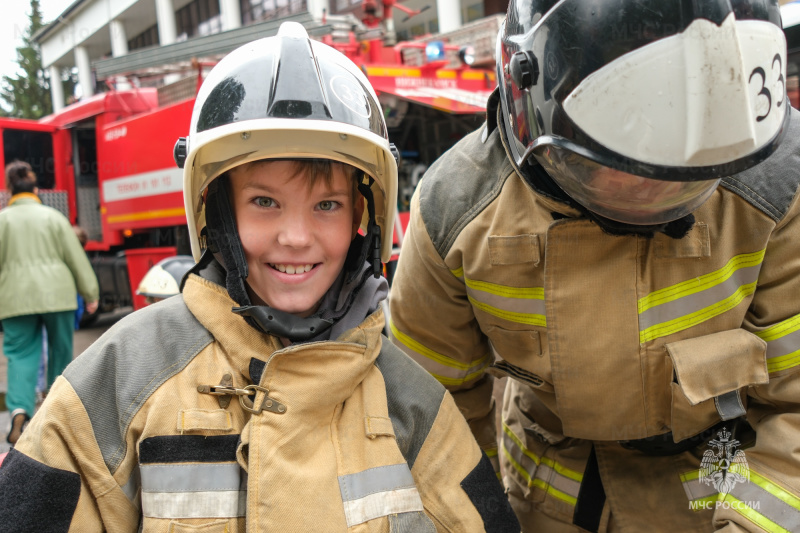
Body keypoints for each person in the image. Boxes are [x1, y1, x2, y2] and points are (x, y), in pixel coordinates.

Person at [0, 23, 520, 532]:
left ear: (363, 221)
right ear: (218, 215)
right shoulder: (125, 377)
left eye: (327, 205)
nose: (295, 236)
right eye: (264, 202)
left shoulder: (411, 400)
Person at [388, 1, 800, 531]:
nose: (655, 190)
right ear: (530, 96)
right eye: (622, 160)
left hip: (714, 488)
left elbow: (794, 408)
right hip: (544, 498)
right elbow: (434, 419)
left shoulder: (777, 188)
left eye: (687, 174)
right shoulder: (455, 212)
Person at [0, 161, 99, 445]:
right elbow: (75, 258)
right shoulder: (53, 218)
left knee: (20, 354)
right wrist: (90, 293)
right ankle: (55, 410)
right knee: (60, 349)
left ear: (9, 190)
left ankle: (19, 409)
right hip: (58, 295)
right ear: (36, 189)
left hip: (15, 297)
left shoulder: (2, 220)